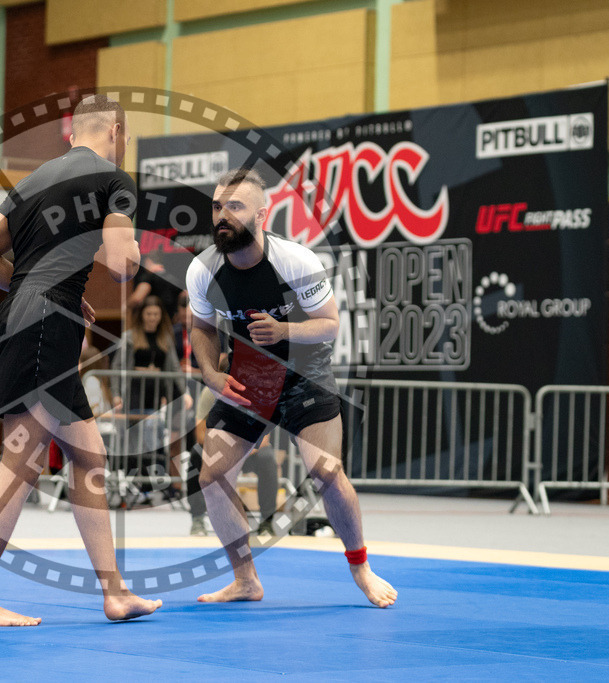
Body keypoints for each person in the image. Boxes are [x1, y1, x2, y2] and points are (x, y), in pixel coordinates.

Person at [0, 94, 160, 625]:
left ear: (73, 134)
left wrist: (41, 288)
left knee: (90, 458)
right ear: (117, 132)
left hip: (30, 316)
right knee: (21, 463)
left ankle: (114, 594)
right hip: (46, 324)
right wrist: (132, 255)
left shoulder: (34, 179)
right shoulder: (115, 181)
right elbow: (120, 265)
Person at [186, 168, 397, 608]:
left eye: (235, 207)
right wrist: (208, 371)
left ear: (262, 214)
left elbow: (330, 325)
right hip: (250, 379)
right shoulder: (203, 270)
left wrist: (283, 330)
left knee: (325, 472)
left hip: (305, 373)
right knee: (211, 476)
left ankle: (360, 567)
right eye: (216, 207)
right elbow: (202, 327)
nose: (222, 215)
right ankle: (245, 580)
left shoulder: (295, 262)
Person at [112, 295, 189, 500]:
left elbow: (173, 367)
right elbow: (117, 368)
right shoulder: (129, 337)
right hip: (134, 395)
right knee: (139, 437)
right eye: (149, 314)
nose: (152, 318)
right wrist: (116, 395)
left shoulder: (165, 338)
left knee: (153, 435)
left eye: (156, 314)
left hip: (155, 397)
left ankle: (150, 482)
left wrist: (185, 393)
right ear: (142, 315)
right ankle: (141, 482)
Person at [189, 380, 279, 536]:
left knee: (267, 456)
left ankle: (267, 522)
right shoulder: (211, 393)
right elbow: (200, 435)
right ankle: (197, 519)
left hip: (246, 451)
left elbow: (263, 440)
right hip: (219, 449)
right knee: (197, 453)